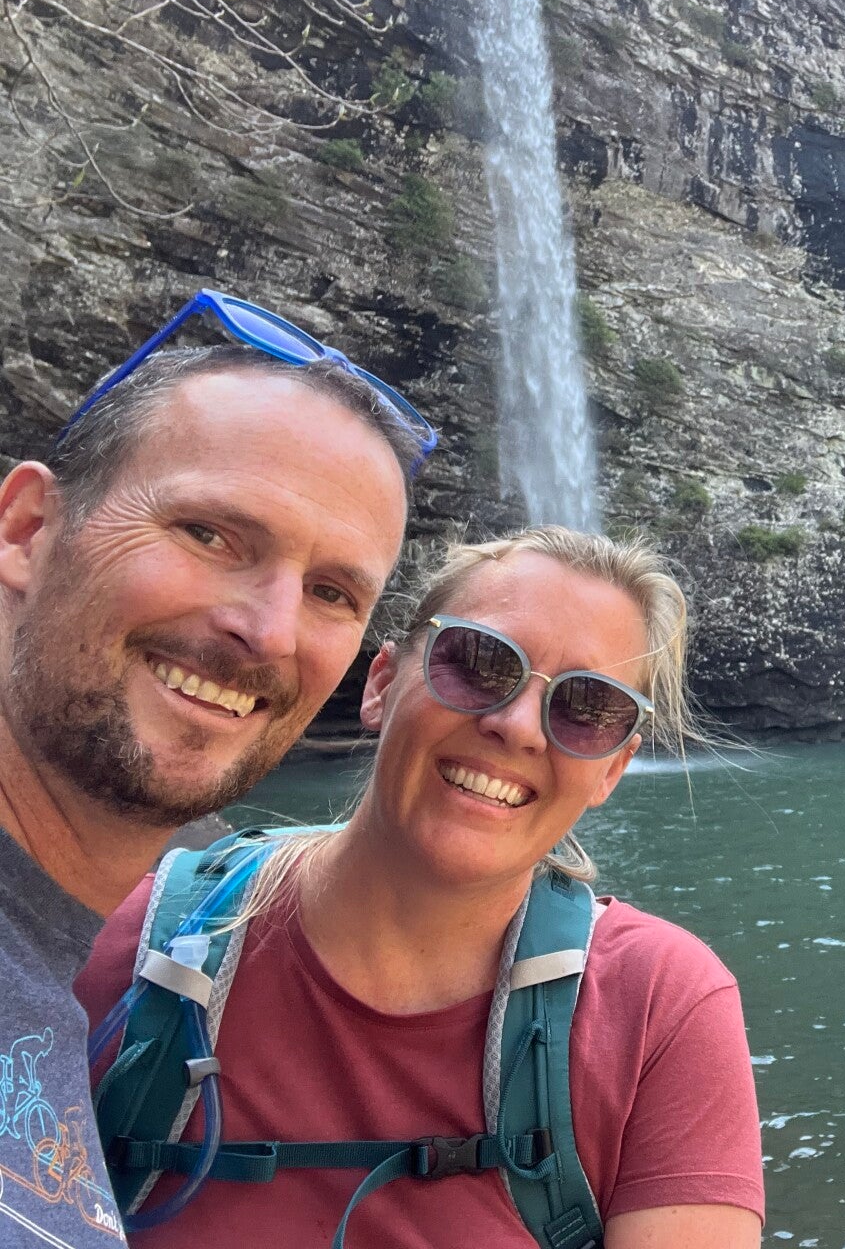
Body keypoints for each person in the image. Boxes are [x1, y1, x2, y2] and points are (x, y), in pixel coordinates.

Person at [77, 527, 764, 1249]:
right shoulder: (115, 948)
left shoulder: (661, 1009)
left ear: (612, 771)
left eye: (587, 708)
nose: (517, 727)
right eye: (480, 663)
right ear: (381, 684)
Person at [0, 292, 428, 1249]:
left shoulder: (57, 983)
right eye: (210, 534)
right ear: (27, 530)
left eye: (331, 592)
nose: (268, 631)